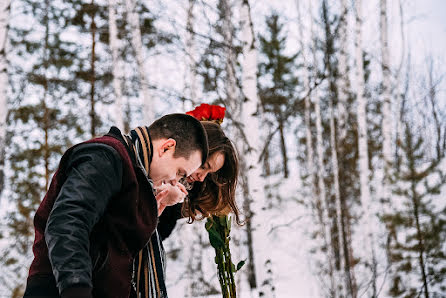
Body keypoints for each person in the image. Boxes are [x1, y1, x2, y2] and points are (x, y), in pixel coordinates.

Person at [24, 114, 209, 298]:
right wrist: (76, 288)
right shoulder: (105, 158)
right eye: (179, 172)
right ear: (167, 147)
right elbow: (67, 223)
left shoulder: (137, 180)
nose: (175, 180)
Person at [131, 110, 243, 298]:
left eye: (210, 174)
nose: (201, 178)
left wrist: (167, 206)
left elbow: (153, 238)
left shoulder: (179, 196)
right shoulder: (139, 172)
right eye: (203, 166)